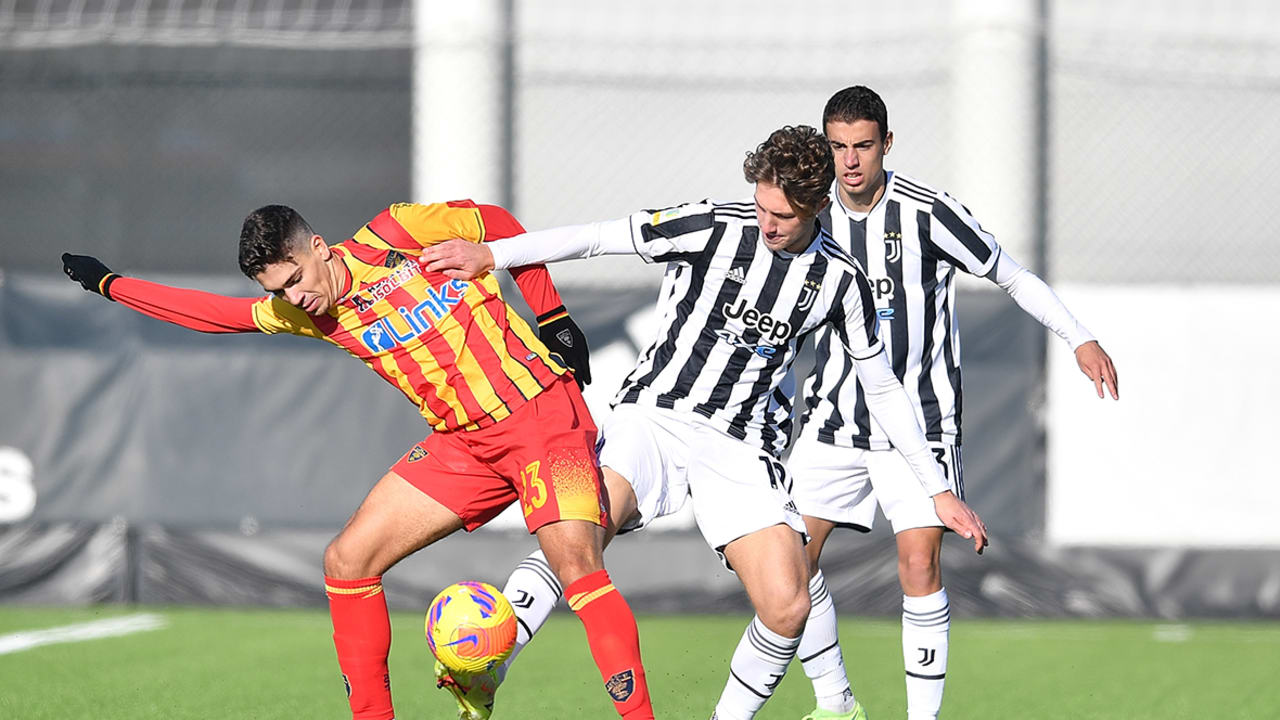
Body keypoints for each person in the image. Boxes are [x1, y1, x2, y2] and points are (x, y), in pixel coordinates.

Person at [422, 125, 988, 720]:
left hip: (743, 446)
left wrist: (938, 489)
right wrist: (494, 255)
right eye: (762, 205)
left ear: (820, 206)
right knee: (578, 531)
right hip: (655, 417)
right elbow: (598, 238)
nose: (767, 224)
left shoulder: (841, 280)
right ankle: (489, 671)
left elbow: (881, 386)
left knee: (789, 605)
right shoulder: (714, 224)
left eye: (784, 216)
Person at [60, 200, 654, 720]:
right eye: (278, 292)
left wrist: (550, 314)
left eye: (295, 278)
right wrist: (112, 284)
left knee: (577, 566)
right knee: (346, 561)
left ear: (318, 247)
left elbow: (495, 223)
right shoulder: (308, 312)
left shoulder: (398, 231)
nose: (294, 298)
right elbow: (219, 316)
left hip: (545, 419)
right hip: (463, 447)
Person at [782, 85, 1120, 720]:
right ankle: (837, 704)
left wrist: (1079, 337)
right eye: (838, 147)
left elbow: (1012, 275)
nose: (850, 161)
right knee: (788, 568)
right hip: (832, 420)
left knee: (918, 562)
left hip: (923, 421)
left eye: (862, 146)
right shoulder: (809, 215)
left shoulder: (930, 213)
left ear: (887, 143)